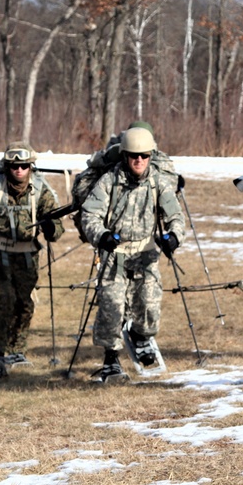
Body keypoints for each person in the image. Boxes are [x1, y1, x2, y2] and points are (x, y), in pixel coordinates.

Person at [80, 127, 185, 382]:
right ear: (125, 156)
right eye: (134, 156)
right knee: (112, 306)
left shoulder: (158, 181)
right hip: (115, 255)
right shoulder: (109, 181)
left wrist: (173, 237)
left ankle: (140, 335)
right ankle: (111, 358)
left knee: (149, 308)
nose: (139, 161)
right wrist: (102, 235)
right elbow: (89, 214)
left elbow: (176, 216)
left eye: (144, 156)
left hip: (146, 254)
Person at [0, 141, 64, 377]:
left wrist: (52, 227)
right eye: (14, 166)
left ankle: (17, 350)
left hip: (26, 257)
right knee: (2, 299)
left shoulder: (40, 190)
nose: (19, 170)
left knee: (24, 303)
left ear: (31, 167)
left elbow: (57, 226)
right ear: (7, 167)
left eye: (23, 166)